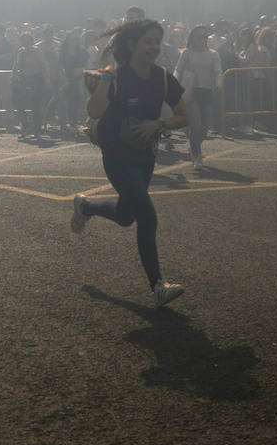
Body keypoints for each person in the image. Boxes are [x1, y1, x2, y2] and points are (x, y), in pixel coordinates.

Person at [70, 19, 189, 307]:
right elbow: (94, 110)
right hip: (116, 157)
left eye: (157, 41)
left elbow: (184, 116)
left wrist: (157, 124)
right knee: (147, 214)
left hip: (144, 157)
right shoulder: (114, 75)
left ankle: (85, 206)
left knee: (126, 217)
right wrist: (104, 84)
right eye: (148, 41)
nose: (153, 46)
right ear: (132, 44)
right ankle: (158, 285)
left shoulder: (162, 77)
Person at [174, 25, 222, 169]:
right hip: (191, 91)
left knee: (205, 127)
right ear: (192, 38)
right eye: (198, 37)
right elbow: (178, 69)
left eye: (204, 37)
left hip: (207, 92)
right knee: (197, 124)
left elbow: (218, 71)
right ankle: (197, 156)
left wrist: (219, 83)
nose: (202, 40)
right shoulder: (187, 53)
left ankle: (193, 142)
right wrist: (175, 80)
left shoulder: (213, 54)